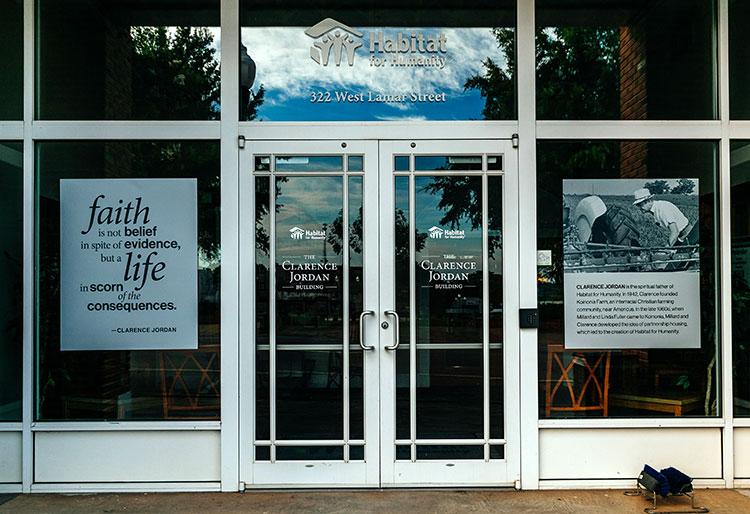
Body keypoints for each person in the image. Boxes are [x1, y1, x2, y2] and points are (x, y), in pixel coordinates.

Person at [633, 188, 697, 246]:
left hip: (688, 235)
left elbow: (675, 232)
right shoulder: (656, 209)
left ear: (648, 201)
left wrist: (666, 249)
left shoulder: (662, 209)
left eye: (639, 204)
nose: (639, 208)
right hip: (681, 236)